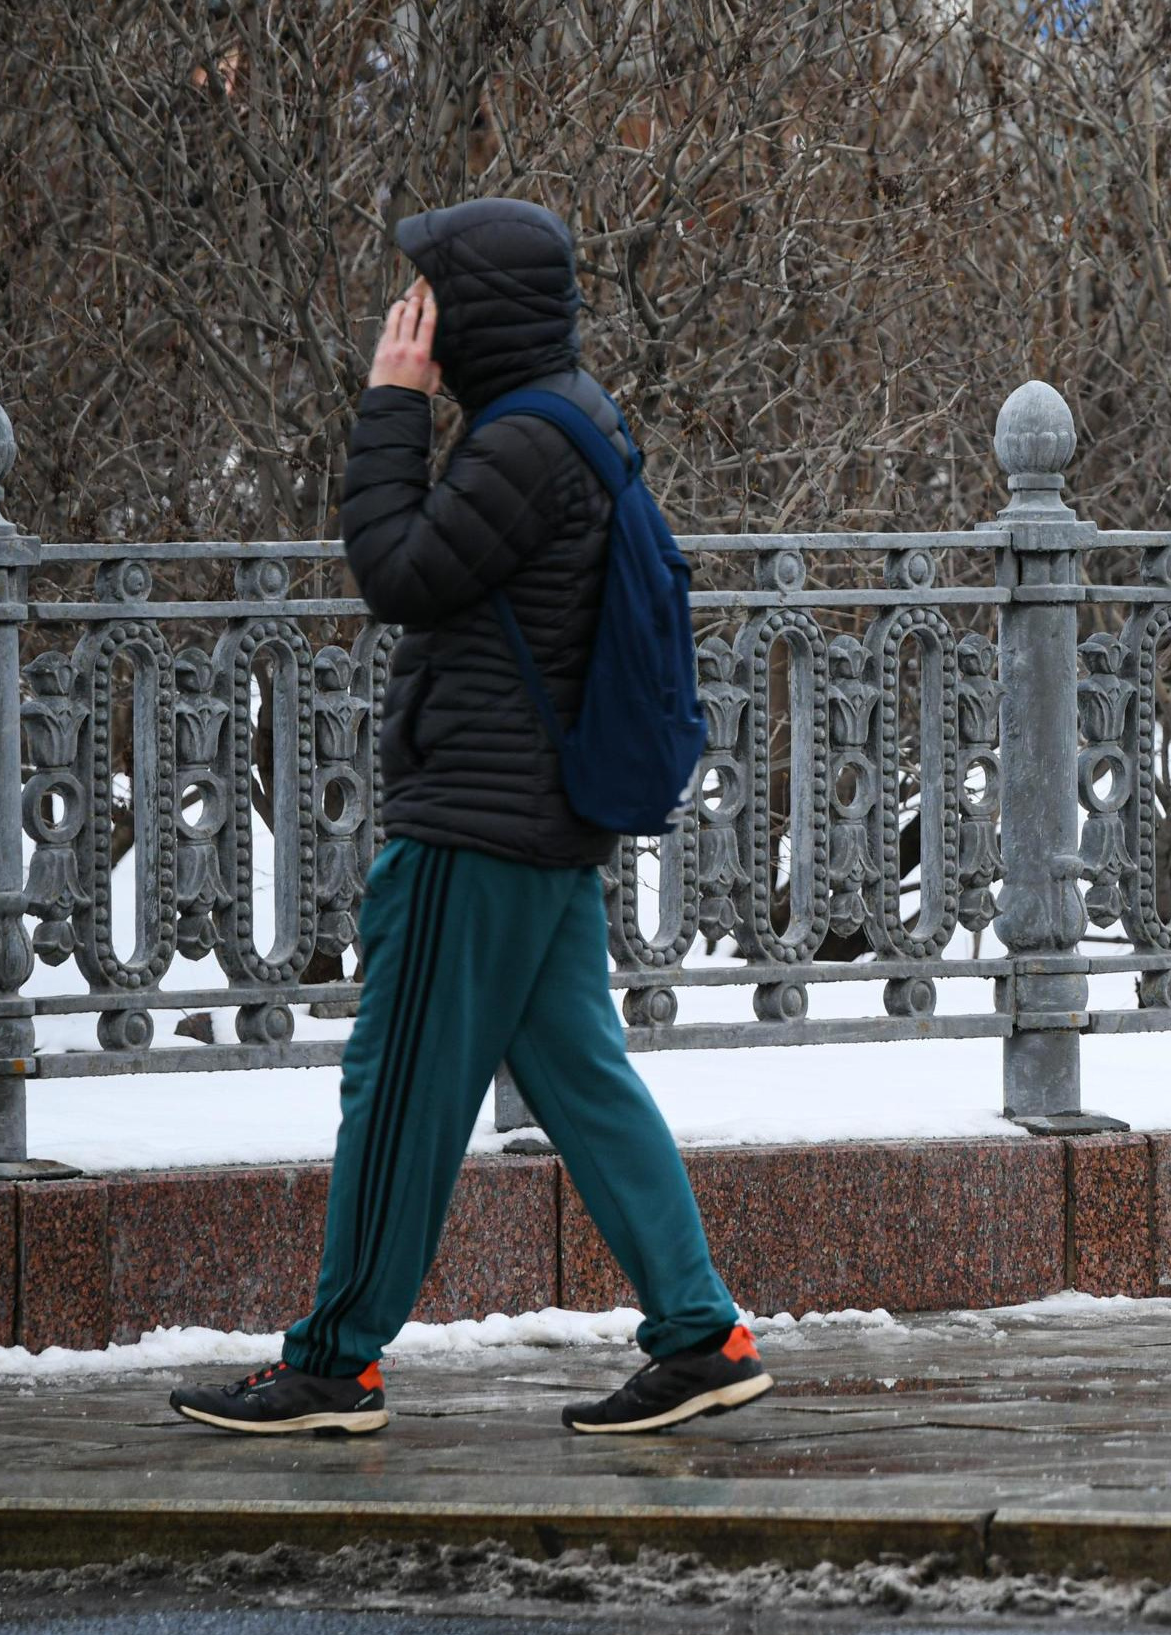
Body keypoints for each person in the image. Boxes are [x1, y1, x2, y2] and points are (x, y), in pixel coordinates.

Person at [169, 199, 769, 1437]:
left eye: (428, 292)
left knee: (397, 1095)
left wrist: (390, 402)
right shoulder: (573, 417)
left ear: (476, 310)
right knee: (587, 1085)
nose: (410, 312)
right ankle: (701, 1332)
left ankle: (334, 1361)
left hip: (476, 830)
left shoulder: (520, 446)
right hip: (538, 820)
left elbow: (395, 571)